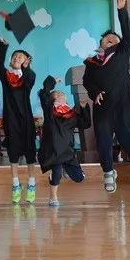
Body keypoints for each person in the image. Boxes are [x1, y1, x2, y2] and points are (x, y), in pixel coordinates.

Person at [81, 0, 130, 193]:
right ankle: (108, 172)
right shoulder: (91, 63)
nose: (111, 39)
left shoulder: (122, 53)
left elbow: (129, 35)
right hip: (103, 106)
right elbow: (87, 81)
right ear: (101, 42)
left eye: (114, 38)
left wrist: (121, 11)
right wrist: (94, 93)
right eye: (107, 38)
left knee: (126, 137)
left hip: (121, 104)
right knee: (103, 139)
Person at [0, 38, 38, 204]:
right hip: (11, 119)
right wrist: (2, 47)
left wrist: (26, 69)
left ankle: (32, 183)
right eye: (14, 56)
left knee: (30, 153)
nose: (16, 58)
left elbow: (30, 78)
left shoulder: (28, 77)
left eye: (20, 57)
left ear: (26, 61)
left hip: (26, 120)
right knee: (13, 152)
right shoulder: (6, 77)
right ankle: (15, 184)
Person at [37, 77, 90, 207]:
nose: (59, 96)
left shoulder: (72, 114)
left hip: (67, 151)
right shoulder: (50, 111)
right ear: (52, 100)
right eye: (56, 95)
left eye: (61, 94)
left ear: (66, 99)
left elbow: (85, 124)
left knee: (79, 178)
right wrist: (51, 83)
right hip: (53, 151)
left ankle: (67, 169)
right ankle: (53, 197)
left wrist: (84, 108)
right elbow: (44, 93)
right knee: (56, 174)